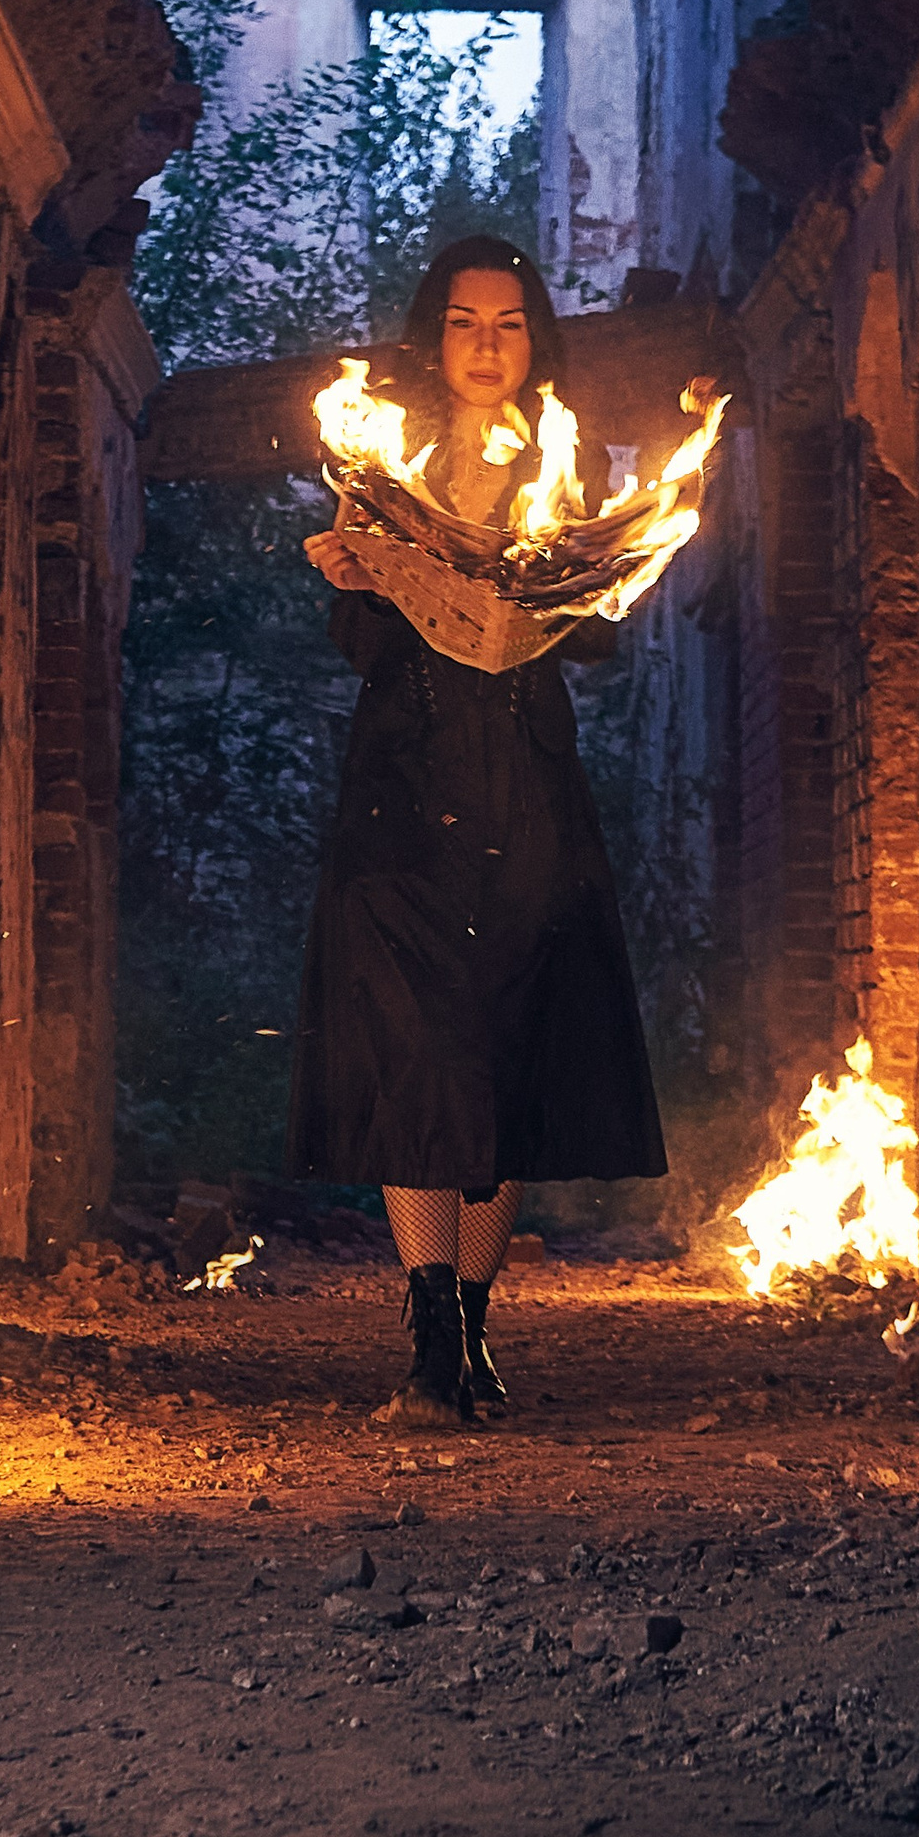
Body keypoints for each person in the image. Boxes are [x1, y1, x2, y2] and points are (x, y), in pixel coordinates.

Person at [289, 235, 667, 1422]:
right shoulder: (380, 467)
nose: (486, 344)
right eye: (464, 321)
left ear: (533, 336)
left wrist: (552, 587)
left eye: (506, 322)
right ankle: (427, 1340)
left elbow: (599, 636)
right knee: (413, 1047)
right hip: (403, 781)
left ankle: (474, 1339)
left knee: (512, 1044)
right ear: (433, 335)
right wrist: (366, 577)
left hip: (526, 782)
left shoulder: (570, 465)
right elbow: (353, 649)